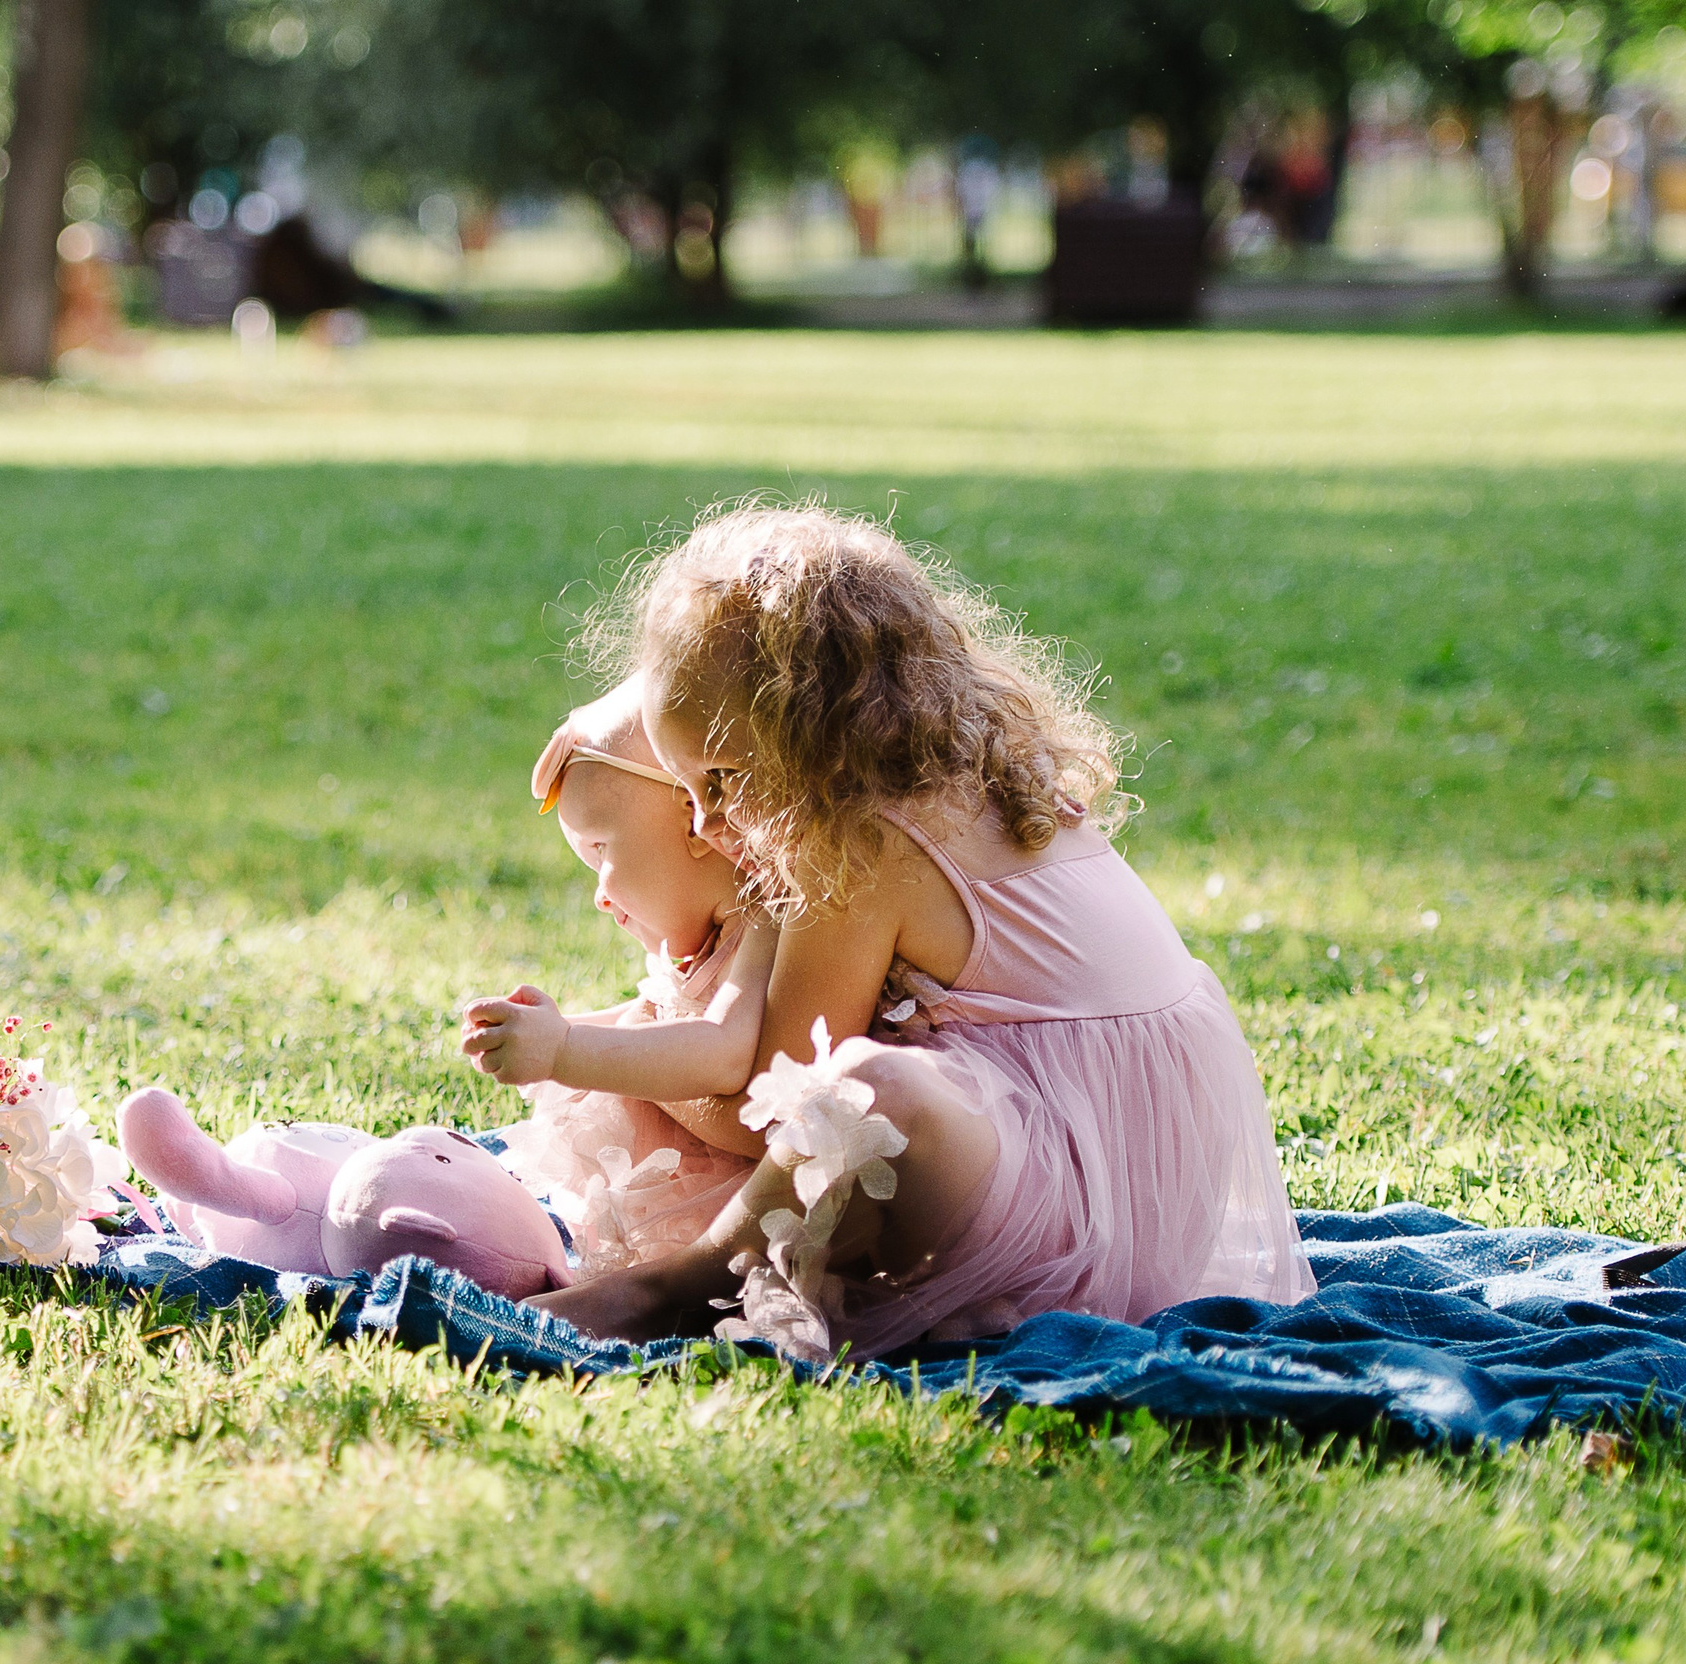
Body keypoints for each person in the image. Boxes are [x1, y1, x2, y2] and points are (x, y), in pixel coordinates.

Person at [506, 502, 1315, 1353]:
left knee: (868, 1098)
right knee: (869, 1100)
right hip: (1140, 1179)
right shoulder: (966, 755)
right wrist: (613, 727)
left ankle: (681, 1287)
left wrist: (608, 1054)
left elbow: (766, 1107)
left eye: (722, 779)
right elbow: (722, 698)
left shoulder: (857, 843)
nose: (703, 822)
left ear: (805, 734)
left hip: (1069, 1204)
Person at [462, 678, 773, 1277]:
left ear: (694, 818)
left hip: (739, 1213)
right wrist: (550, 1030)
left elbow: (725, 1051)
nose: (600, 898)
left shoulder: (767, 923)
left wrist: (564, 1048)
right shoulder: (702, 946)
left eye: (602, 850)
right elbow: (652, 1019)